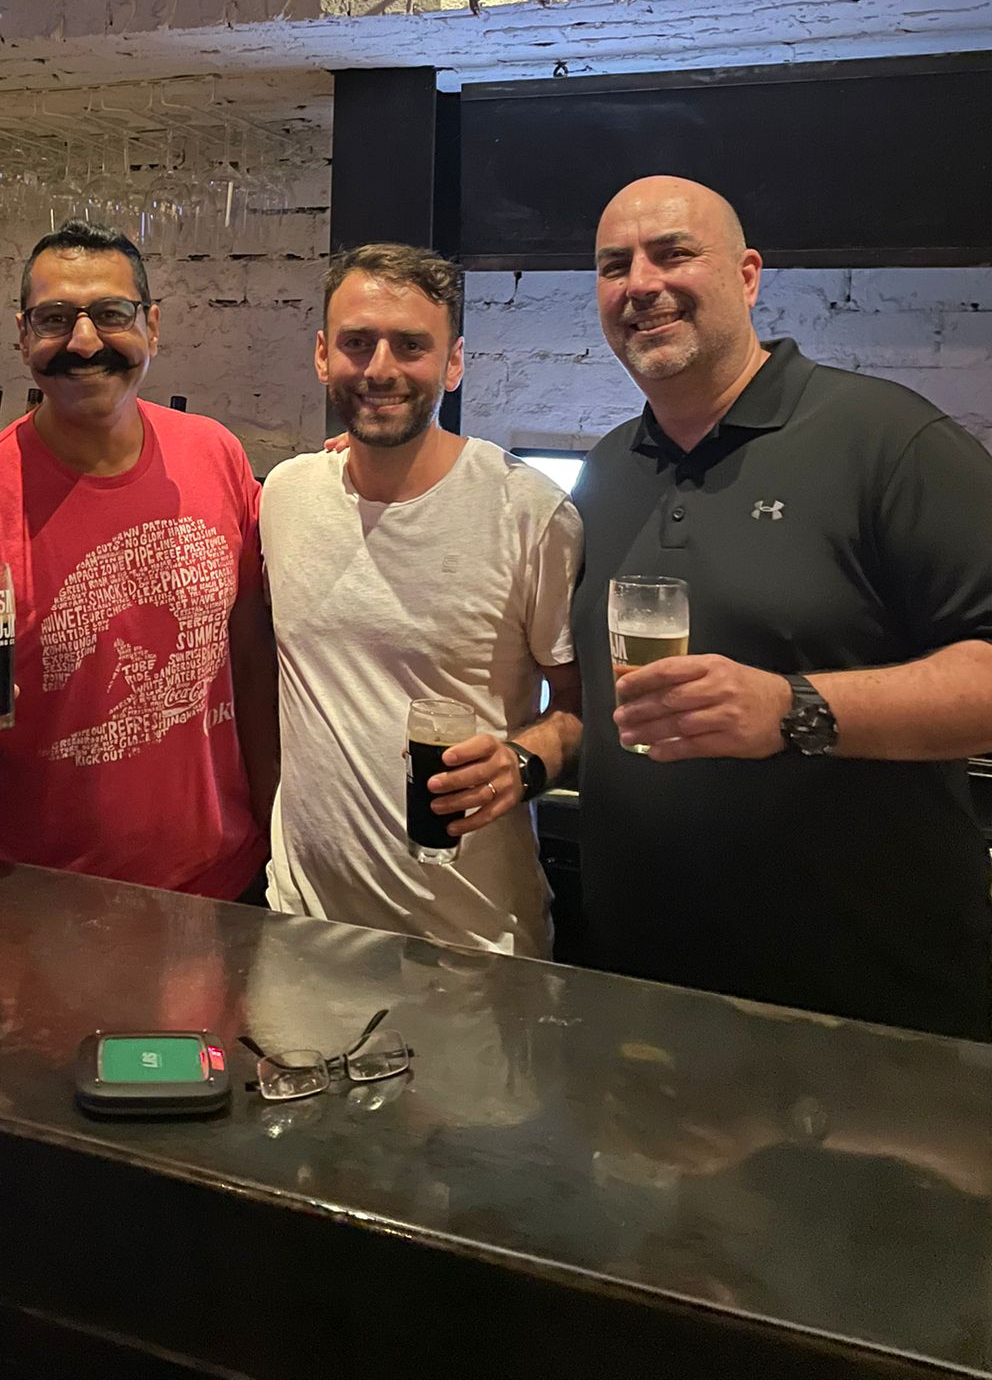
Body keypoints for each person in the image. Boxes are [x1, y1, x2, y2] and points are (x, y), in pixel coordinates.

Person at [574, 175, 992, 1040]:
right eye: (616, 266)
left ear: (749, 275)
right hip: (638, 997)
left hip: (865, 1012)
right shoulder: (608, 469)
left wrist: (792, 708)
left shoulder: (886, 440)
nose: (642, 283)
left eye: (674, 253)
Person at [0, 219, 276, 900]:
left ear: (152, 326)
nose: (85, 342)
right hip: (38, 907)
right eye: (55, 319)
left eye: (111, 314)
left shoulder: (215, 455)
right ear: (23, 336)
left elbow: (252, 661)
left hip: (225, 892)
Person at [260, 243, 583, 955]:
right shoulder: (286, 495)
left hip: (473, 944)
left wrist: (522, 763)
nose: (380, 369)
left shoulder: (529, 512)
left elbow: (580, 705)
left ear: (454, 361)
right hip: (300, 930)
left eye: (411, 345)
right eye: (357, 343)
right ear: (322, 355)